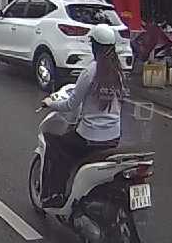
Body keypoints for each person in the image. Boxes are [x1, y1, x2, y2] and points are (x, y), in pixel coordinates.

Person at [40, 24, 125, 208]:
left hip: (89, 138)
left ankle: (54, 194)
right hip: (113, 138)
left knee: (55, 144)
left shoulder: (90, 72)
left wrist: (49, 103)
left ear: (95, 46)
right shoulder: (119, 72)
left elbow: (71, 104)